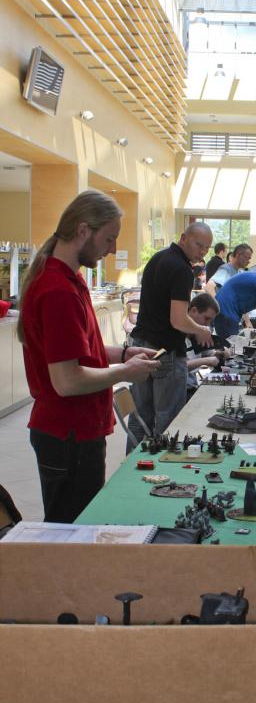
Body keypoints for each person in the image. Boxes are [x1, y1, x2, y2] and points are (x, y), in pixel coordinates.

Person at [18, 190, 159, 523]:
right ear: (83, 230)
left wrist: (124, 353)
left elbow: (80, 351)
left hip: (74, 431)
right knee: (72, 530)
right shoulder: (58, 290)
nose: (112, 249)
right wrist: (125, 371)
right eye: (109, 239)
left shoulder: (69, 280)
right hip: (68, 433)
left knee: (74, 525)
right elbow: (67, 381)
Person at [128, 222, 214, 443]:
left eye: (207, 248)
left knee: (140, 416)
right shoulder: (182, 269)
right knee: (169, 419)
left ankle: (134, 461)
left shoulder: (159, 258)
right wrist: (201, 330)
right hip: (166, 350)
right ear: (183, 238)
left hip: (141, 344)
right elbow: (178, 320)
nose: (202, 252)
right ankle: (164, 462)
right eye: (199, 245)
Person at [185, 292, 227, 400]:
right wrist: (205, 361)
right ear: (193, 311)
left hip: (191, 386)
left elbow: (208, 355)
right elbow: (177, 367)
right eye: (206, 318)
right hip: (180, 391)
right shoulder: (177, 335)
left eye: (210, 321)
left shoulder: (198, 334)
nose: (207, 324)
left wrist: (219, 353)